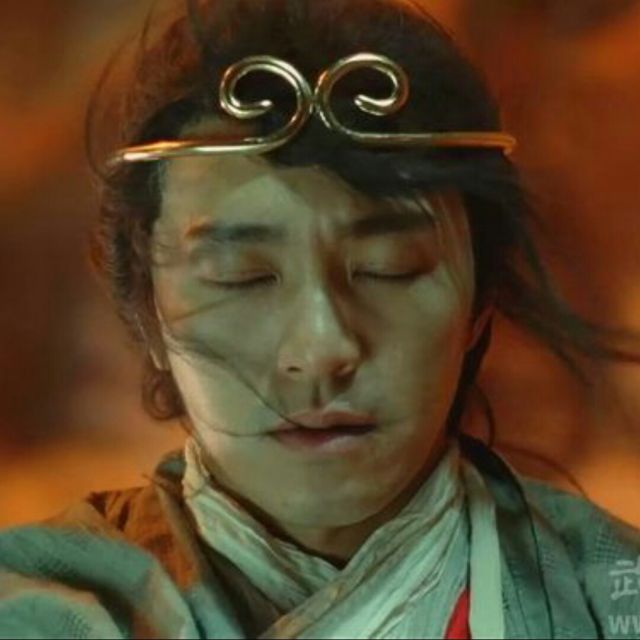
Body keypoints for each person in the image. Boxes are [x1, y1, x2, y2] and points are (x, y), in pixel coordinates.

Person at [1, 0, 639, 638]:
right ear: (148, 311)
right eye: (242, 277)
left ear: (480, 298)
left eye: (387, 269)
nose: (323, 347)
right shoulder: (39, 610)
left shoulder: (611, 595)